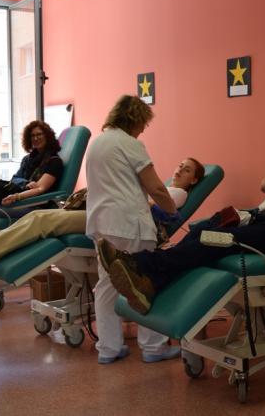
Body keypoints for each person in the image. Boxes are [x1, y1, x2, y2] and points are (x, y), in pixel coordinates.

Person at [99, 106, 265, 317]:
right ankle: (152, 283)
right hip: (257, 218)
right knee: (202, 231)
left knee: (215, 241)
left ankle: (141, 264)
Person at [0, 158, 205, 279]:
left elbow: (141, 205)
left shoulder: (177, 193)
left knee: (43, 221)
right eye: (181, 164)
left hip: (114, 223)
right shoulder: (161, 186)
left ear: (194, 179)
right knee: (39, 216)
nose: (181, 168)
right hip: (107, 214)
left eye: (188, 168)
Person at [86, 95, 201, 365]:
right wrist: (173, 212)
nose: (143, 130)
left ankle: (108, 348)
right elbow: (157, 187)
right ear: (135, 120)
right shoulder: (130, 144)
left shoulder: (97, 142)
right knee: (144, 280)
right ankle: (153, 346)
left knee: (106, 286)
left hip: (101, 223)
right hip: (127, 224)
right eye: (143, 125)